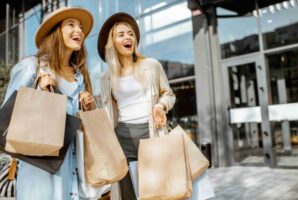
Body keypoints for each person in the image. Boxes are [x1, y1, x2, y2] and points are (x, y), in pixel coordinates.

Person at [3, 7, 95, 200]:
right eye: (71, 24)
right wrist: (39, 91)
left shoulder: (80, 77)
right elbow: (8, 118)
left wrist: (90, 109)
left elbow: (84, 130)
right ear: (55, 32)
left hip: (75, 176)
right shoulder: (32, 66)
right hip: (41, 177)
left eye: (80, 27)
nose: (79, 30)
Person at [97, 12, 176, 200]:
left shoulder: (151, 65)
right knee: (129, 194)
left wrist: (160, 107)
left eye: (131, 33)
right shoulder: (106, 77)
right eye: (121, 34)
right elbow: (108, 112)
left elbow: (169, 94)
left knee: (159, 190)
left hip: (152, 132)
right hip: (122, 137)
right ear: (113, 42)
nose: (128, 37)